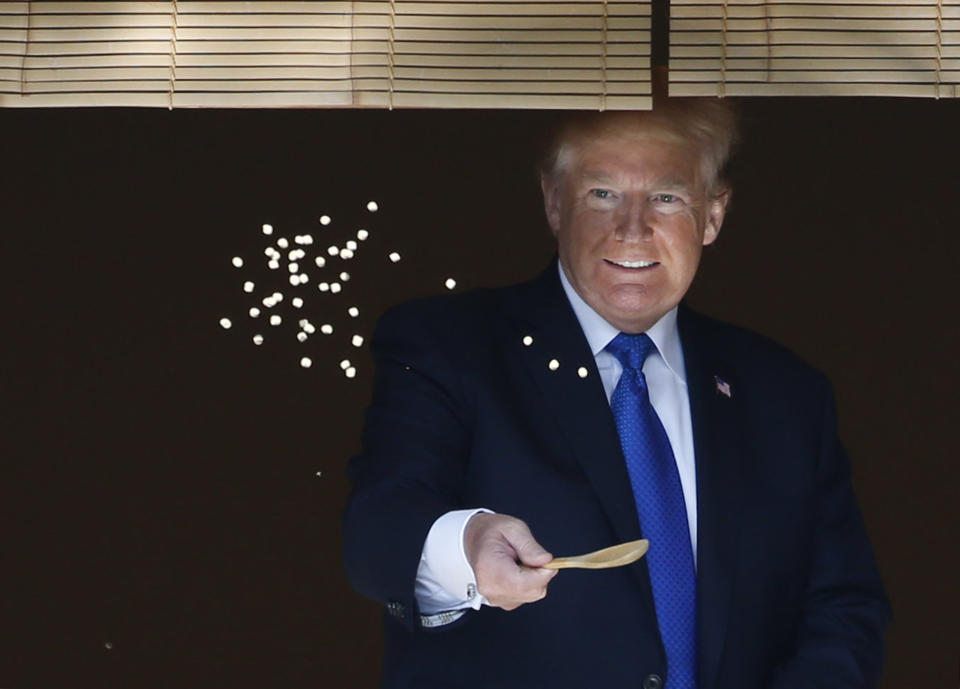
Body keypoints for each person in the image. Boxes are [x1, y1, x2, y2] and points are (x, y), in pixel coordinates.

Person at [343, 96, 890, 689]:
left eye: (666, 197)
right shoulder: (448, 348)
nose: (632, 228)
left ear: (713, 215)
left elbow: (843, 609)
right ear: (554, 201)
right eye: (602, 193)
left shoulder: (785, 393)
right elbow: (377, 531)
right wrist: (467, 544)